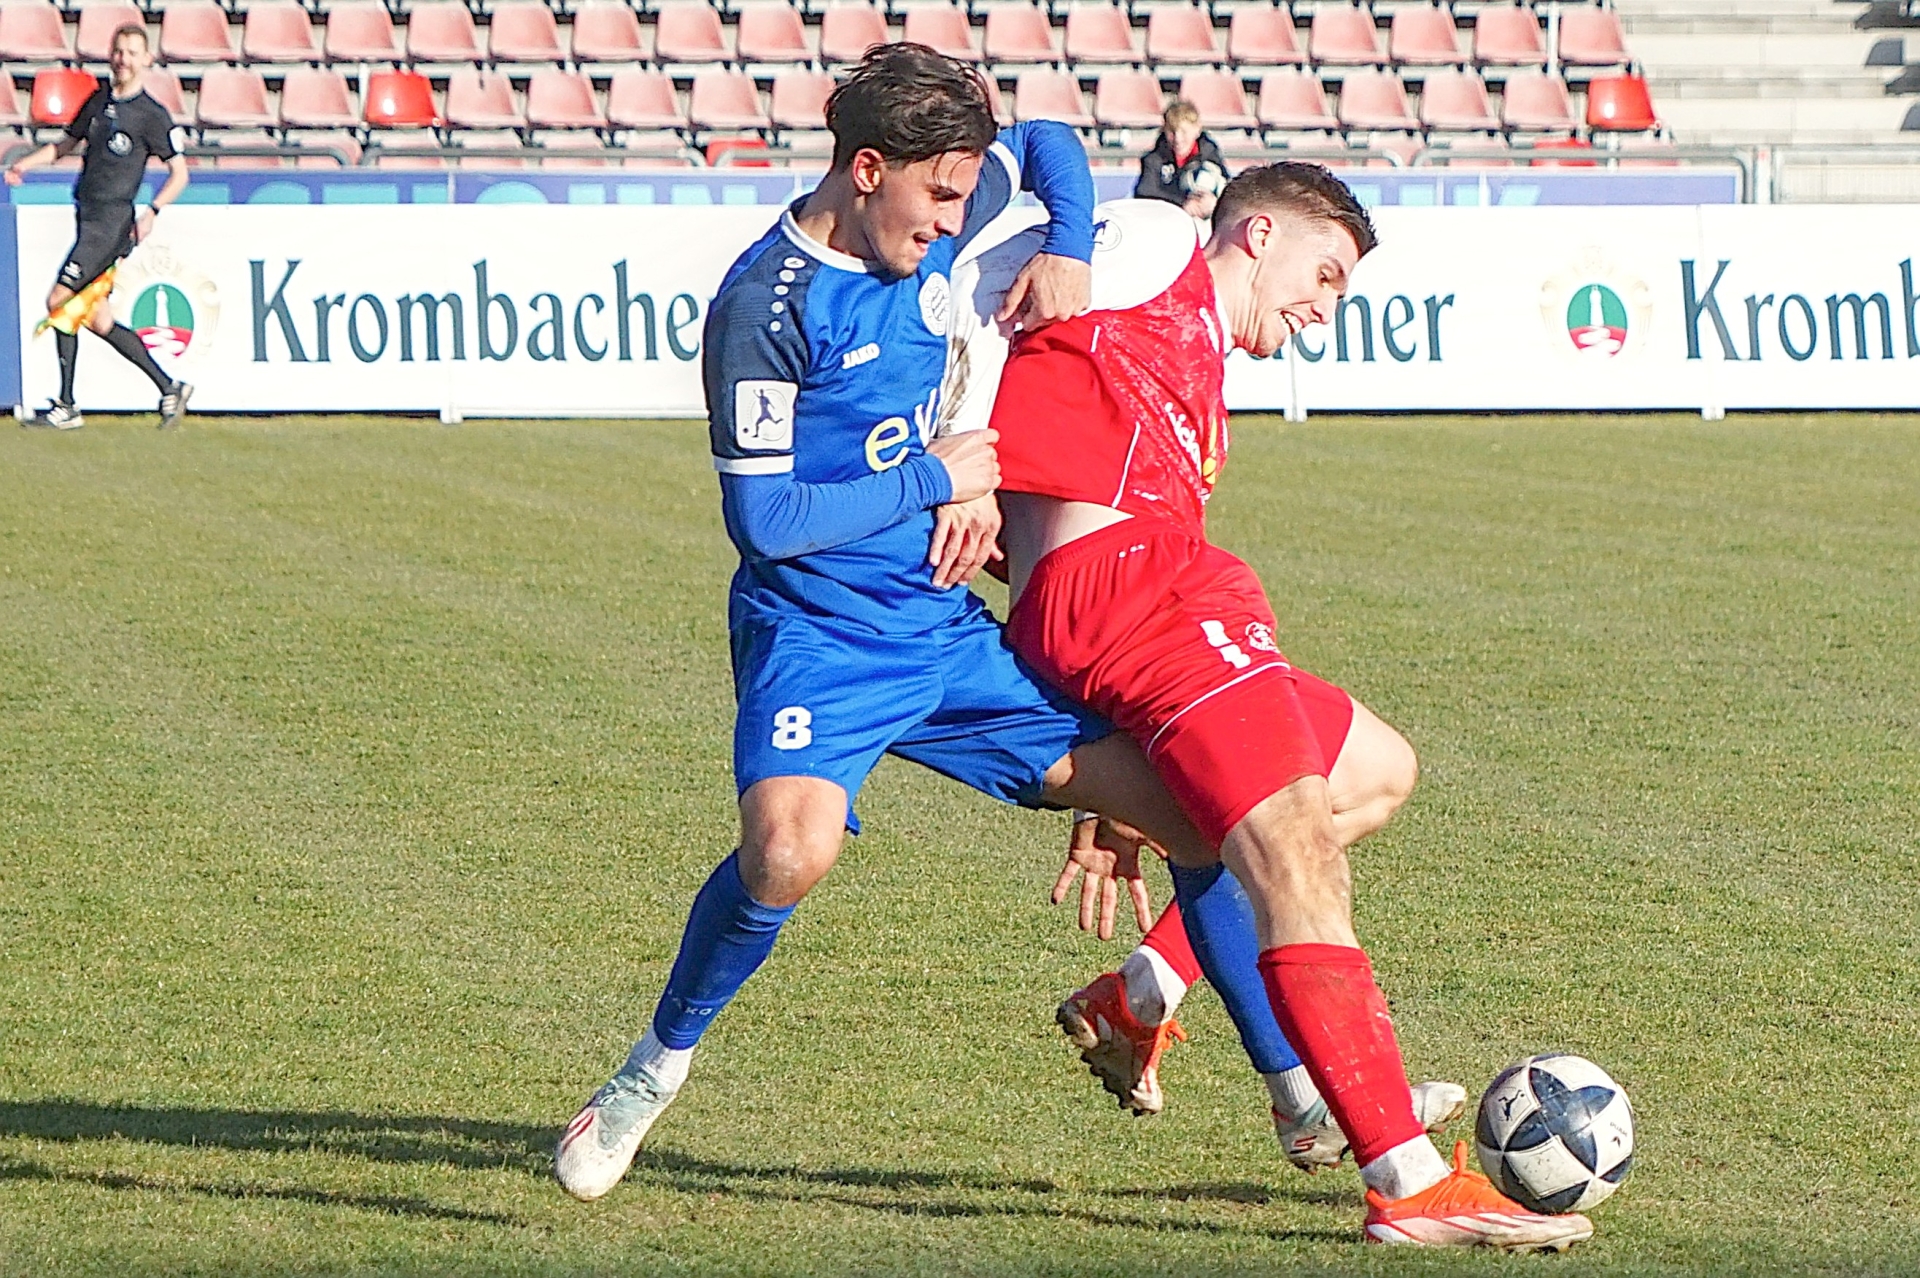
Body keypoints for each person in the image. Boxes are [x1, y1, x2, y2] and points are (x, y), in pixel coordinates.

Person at [552, 44, 1222, 1205]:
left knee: (1199, 809)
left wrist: (1066, 243)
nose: (958, 218)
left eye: (966, 191)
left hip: (942, 626)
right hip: (818, 631)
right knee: (786, 854)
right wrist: (937, 476)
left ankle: (1305, 1096)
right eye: (940, 197)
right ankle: (647, 1076)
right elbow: (763, 518)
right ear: (866, 170)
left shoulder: (940, 213)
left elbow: (1052, 142)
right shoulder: (765, 306)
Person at [944, 176, 1594, 1250]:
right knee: (1292, 847)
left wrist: (1124, 766)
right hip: (1136, 589)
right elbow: (989, 249)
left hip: (1145, 593)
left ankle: (1153, 999)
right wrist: (961, 460)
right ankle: (1402, 1177)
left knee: (1374, 772)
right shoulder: (1158, 244)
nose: (1325, 309)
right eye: (1325, 275)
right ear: (1257, 233)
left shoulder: (1194, 355)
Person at [6, 23, 192, 431]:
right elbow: (64, 145)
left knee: (59, 300)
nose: (122, 59)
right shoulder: (99, 100)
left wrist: (153, 212)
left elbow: (180, 173)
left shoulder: (152, 115)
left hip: (111, 224)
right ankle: (170, 386)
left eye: (131, 52)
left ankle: (67, 406)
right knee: (98, 319)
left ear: (146, 60)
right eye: (118, 51)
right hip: (87, 217)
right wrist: (25, 164)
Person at [1134, 100, 1229, 223]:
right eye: (1172, 132)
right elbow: (1144, 194)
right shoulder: (1153, 159)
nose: (1178, 139)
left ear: (1197, 129)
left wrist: (1216, 203)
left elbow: (1228, 187)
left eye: (1184, 131)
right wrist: (1182, 204)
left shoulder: (1210, 155)